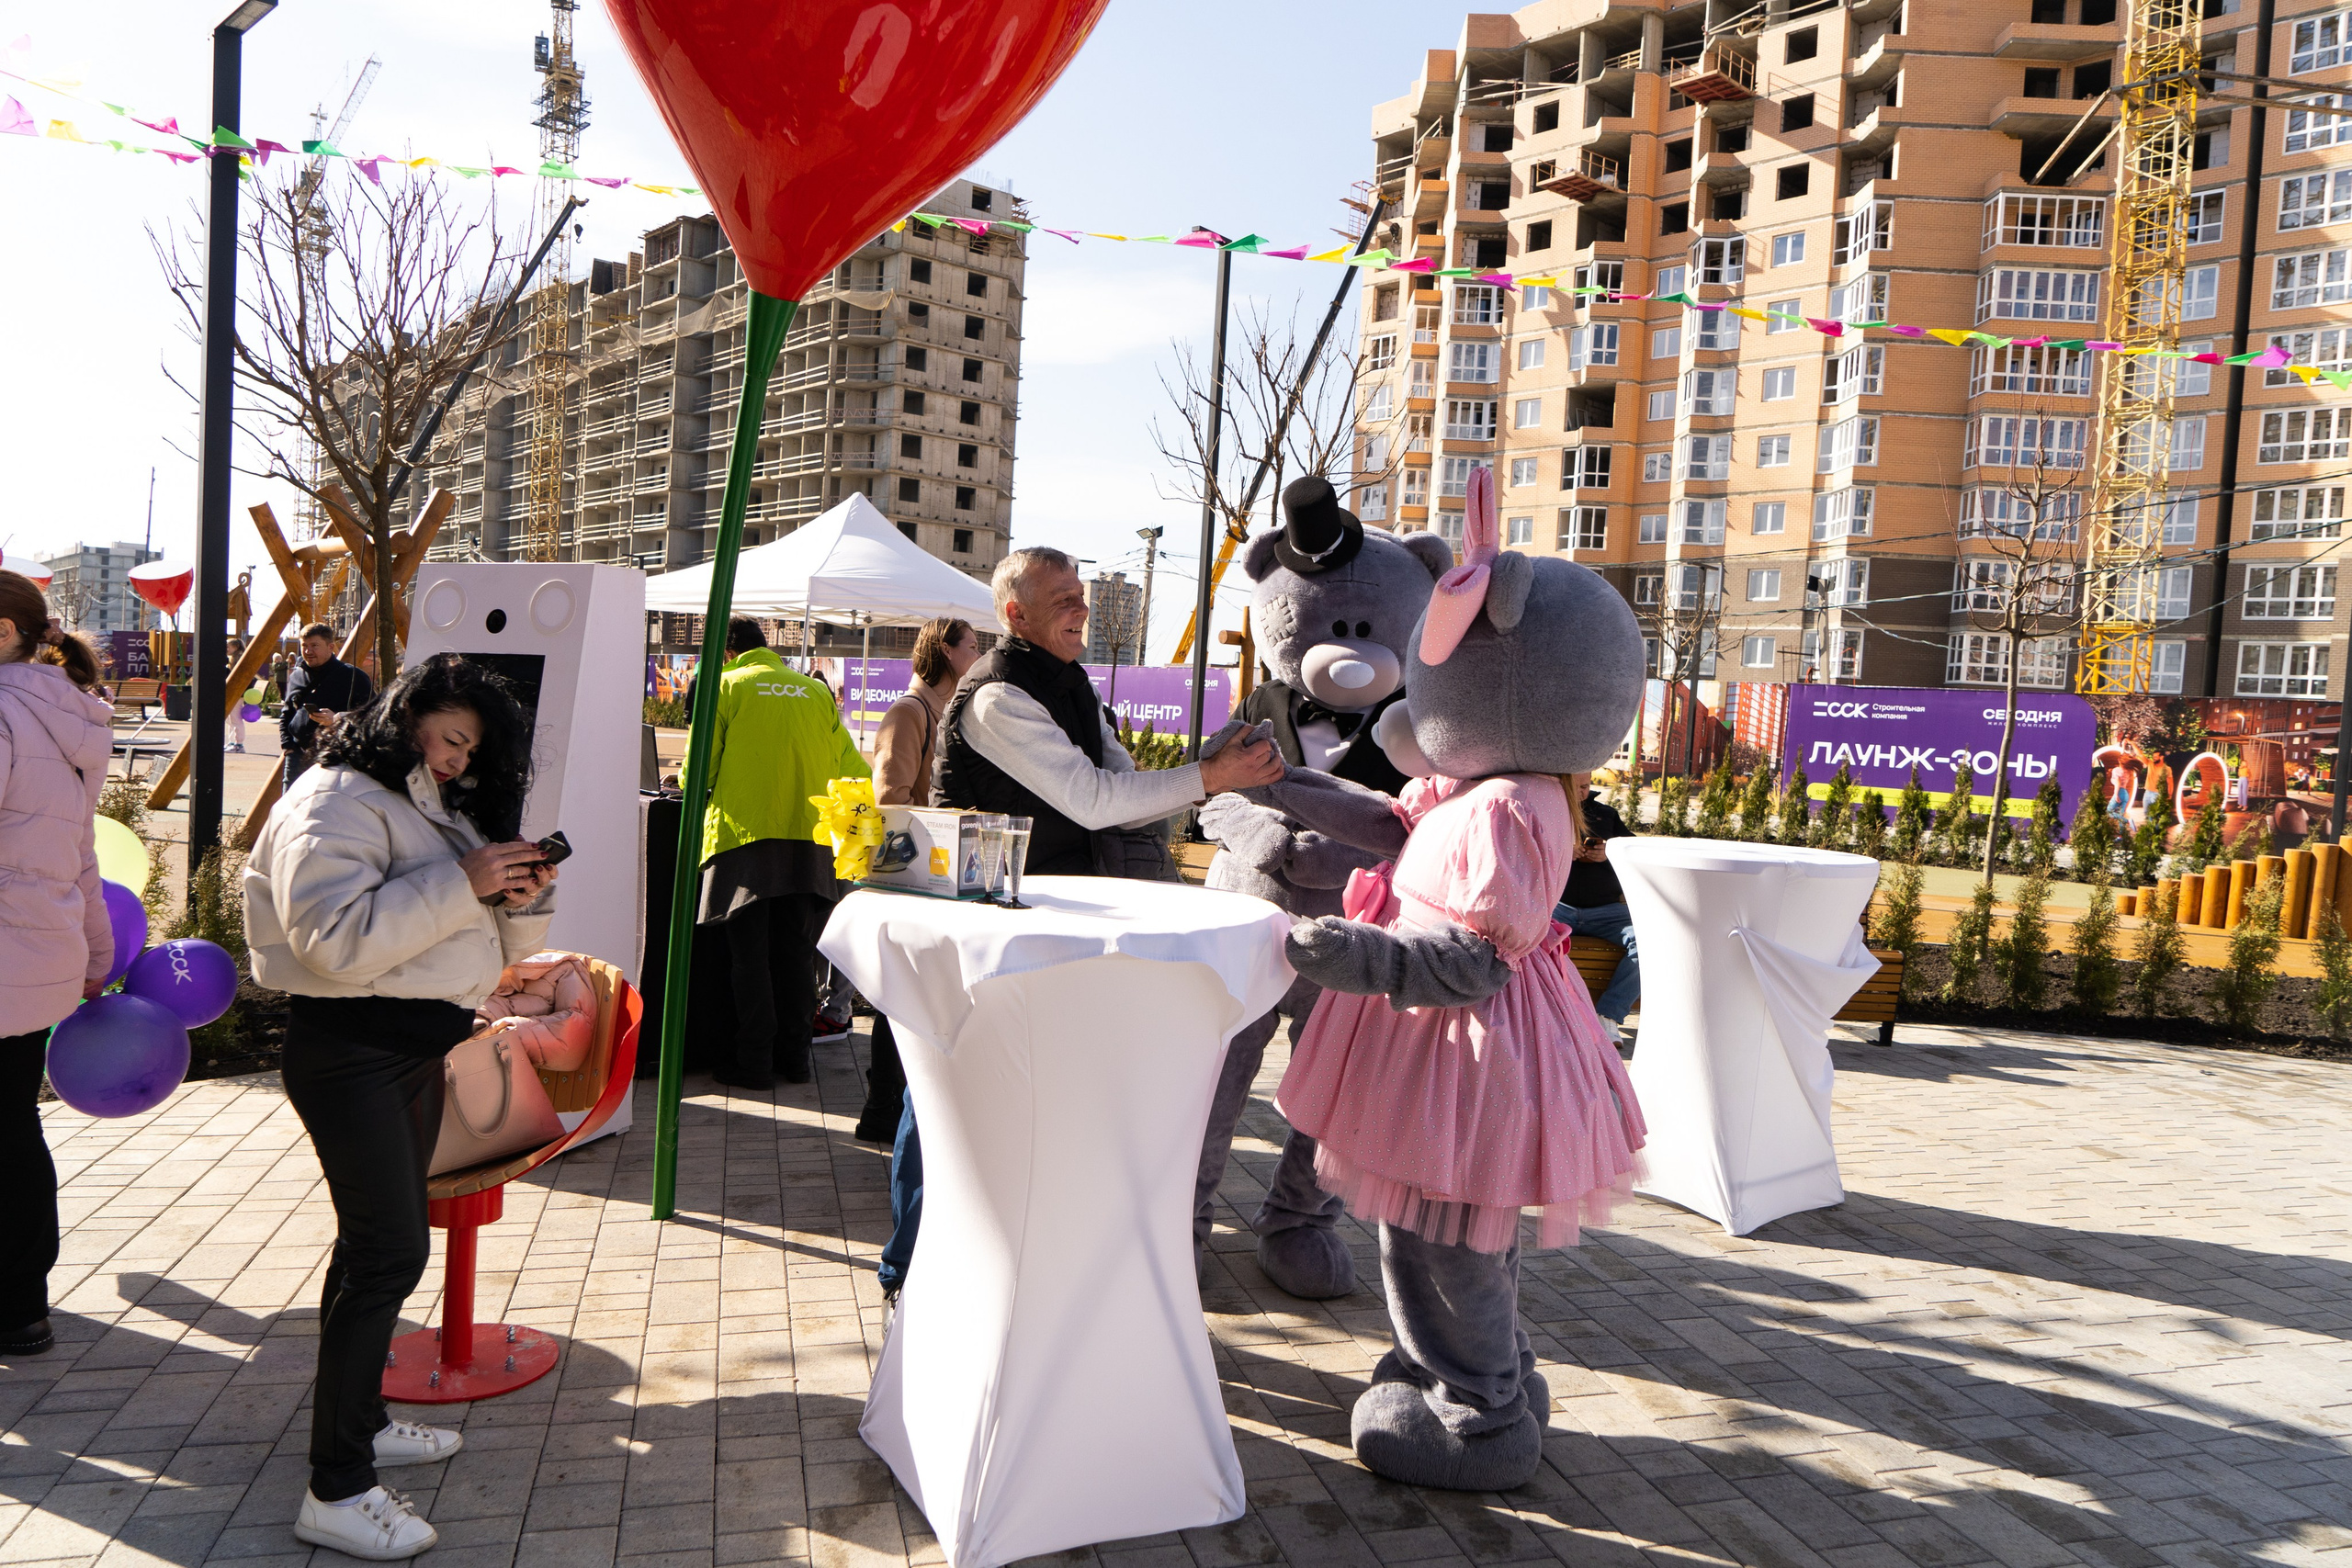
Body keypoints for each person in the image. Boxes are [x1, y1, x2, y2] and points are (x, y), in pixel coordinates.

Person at [873, 548, 1280, 1307]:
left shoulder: (1072, 686)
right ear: (1013, 614)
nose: (1079, 609)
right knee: (947, 1096)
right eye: (1060, 597)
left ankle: (1021, 1266)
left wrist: (1208, 766)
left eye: (1082, 596)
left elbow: (1126, 789)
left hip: (1050, 926)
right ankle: (909, 1275)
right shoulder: (997, 696)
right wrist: (1211, 776)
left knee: (1035, 1099)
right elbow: (1093, 800)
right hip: (984, 927)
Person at [243, 653, 558, 1561]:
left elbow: (488, 943)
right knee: (389, 1254)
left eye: (477, 748)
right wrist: (464, 880)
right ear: (406, 713)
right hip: (353, 1053)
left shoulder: (428, 803)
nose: (461, 759)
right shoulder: (339, 798)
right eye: (451, 737)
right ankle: (335, 1488)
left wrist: (518, 889)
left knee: (371, 1251)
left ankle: (363, 1424)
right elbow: (334, 940)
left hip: (411, 1048)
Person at [0, 571, 112, 1362]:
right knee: (11, 1122)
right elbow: (81, 854)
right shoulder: (67, 715)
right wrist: (97, 956)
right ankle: (22, 1304)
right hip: (38, 955)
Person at [686, 616, 866, 1089]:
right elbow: (851, 767)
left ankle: (753, 1064)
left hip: (746, 839)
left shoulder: (724, 687)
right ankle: (795, 1059)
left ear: (727, 654)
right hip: (811, 842)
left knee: (750, 958)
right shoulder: (814, 691)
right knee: (795, 955)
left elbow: (698, 773)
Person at [853, 616, 978, 1142]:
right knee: (901, 998)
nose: (979, 654)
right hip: (912, 877)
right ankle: (882, 1111)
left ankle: (895, 1107)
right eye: (973, 646)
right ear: (947, 652)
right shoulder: (908, 713)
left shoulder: (942, 712)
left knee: (920, 993)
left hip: (936, 877)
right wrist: (954, 824)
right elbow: (890, 802)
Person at [1552, 771, 1639, 1045]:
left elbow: (1634, 848)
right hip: (1558, 906)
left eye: (1585, 787)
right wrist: (1562, 848)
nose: (1580, 793)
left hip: (1608, 912)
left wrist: (1609, 850)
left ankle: (1608, 1016)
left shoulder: (1606, 815)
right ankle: (1552, 1017)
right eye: (1575, 786)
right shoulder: (1547, 811)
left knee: (1647, 943)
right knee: (1529, 942)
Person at [281, 624, 376, 791]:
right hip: (297, 755)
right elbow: (287, 712)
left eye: (314, 646)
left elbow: (372, 715)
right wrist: (288, 746)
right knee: (290, 810)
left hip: (334, 756)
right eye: (304, 646)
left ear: (330, 647)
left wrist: (337, 718)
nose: (308, 651)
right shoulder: (296, 676)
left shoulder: (353, 677)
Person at [226, 637, 248, 753]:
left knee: (235, 718)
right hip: (236, 691)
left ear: (235, 647)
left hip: (237, 692)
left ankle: (239, 744)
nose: (226, 649)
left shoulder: (237, 659)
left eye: (228, 647)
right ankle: (233, 742)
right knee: (231, 718)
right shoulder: (234, 659)